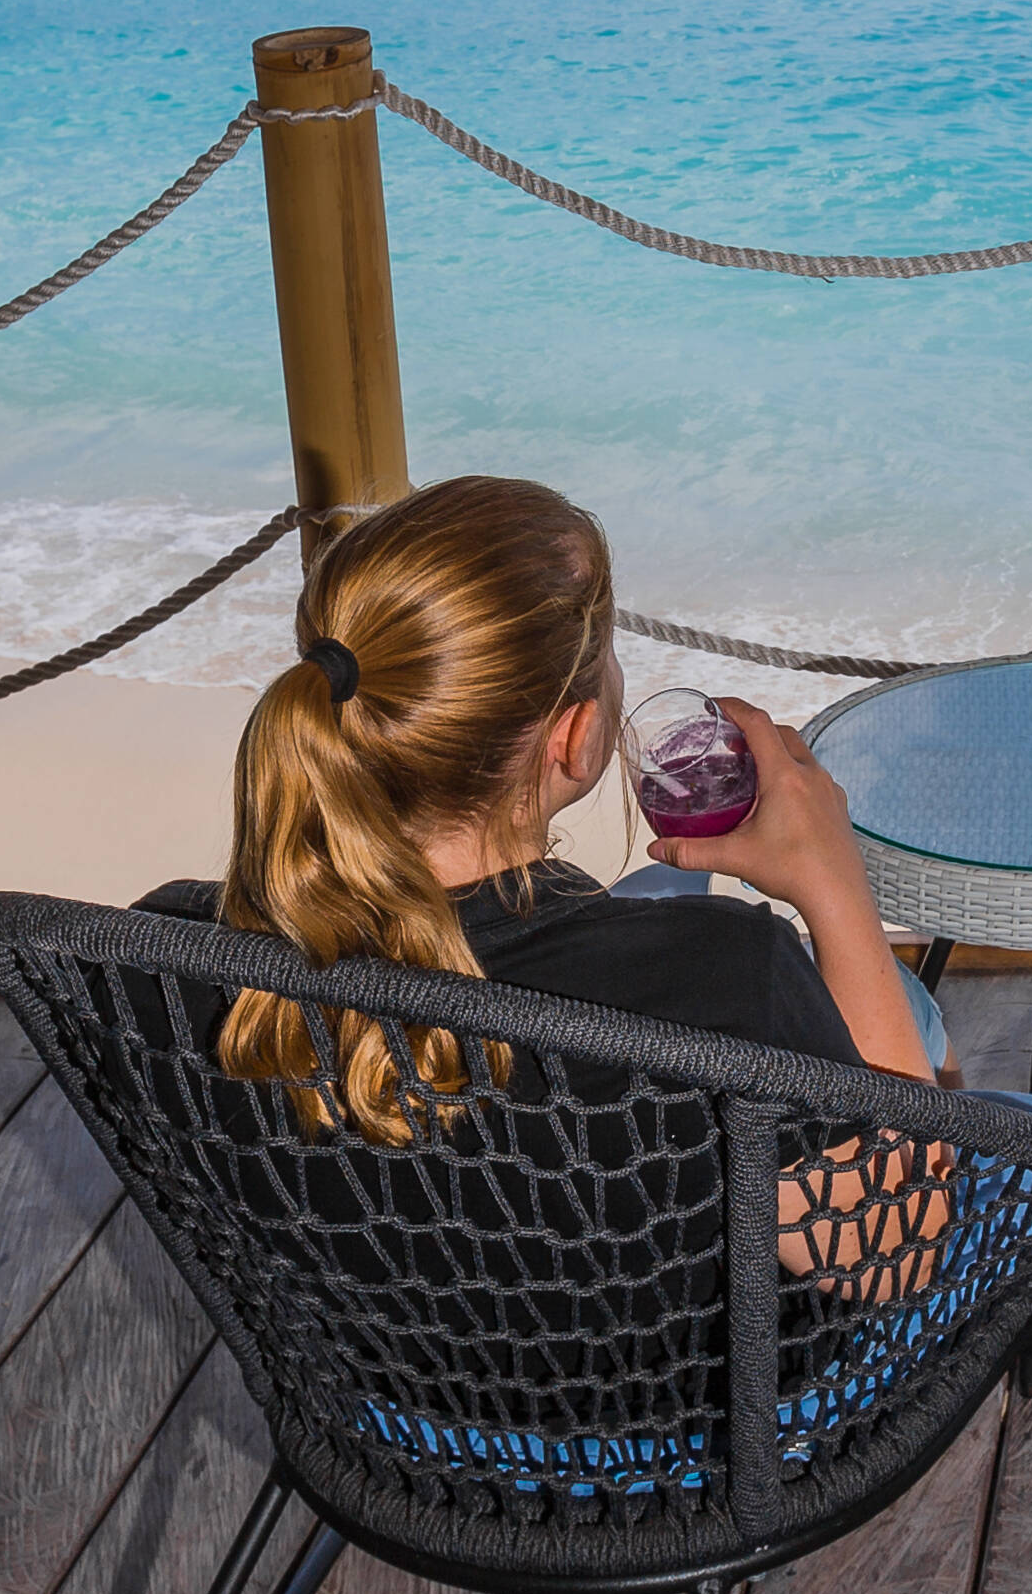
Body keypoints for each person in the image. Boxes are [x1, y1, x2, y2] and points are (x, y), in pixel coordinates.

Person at [131, 473, 954, 1142]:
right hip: (672, 1313)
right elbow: (894, 1249)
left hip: (345, 1304)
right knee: (919, 1025)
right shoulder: (723, 981)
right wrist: (835, 887)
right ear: (576, 735)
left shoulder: (162, 960)